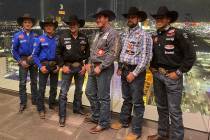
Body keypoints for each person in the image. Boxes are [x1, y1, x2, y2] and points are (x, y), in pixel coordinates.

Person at [147, 6, 196, 140]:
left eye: (161, 18)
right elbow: (154, 55)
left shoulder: (178, 33)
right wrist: (152, 66)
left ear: (168, 19)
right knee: (161, 107)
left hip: (173, 77)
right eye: (157, 18)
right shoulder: (156, 35)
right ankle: (162, 134)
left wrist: (179, 73)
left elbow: (191, 56)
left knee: (174, 111)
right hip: (158, 76)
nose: (158, 20)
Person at [111, 7, 153, 140]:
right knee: (127, 99)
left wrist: (134, 73)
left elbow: (146, 58)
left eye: (133, 17)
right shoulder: (126, 33)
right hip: (125, 69)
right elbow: (123, 52)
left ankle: (136, 131)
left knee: (138, 102)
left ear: (138, 19)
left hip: (136, 72)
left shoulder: (144, 35)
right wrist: (121, 66)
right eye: (129, 17)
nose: (130, 19)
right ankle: (124, 121)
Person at [84, 9, 120, 134]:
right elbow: (93, 51)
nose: (97, 20)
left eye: (100, 17)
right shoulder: (97, 33)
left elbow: (113, 53)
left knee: (103, 97)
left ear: (107, 19)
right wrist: (88, 63)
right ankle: (96, 115)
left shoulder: (112, 33)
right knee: (89, 92)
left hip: (103, 69)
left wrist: (102, 66)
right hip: (93, 67)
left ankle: (103, 123)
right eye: (97, 17)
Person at [57, 15, 90, 127]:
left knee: (79, 90)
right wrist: (62, 66)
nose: (72, 26)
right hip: (67, 67)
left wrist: (85, 66)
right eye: (70, 24)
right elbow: (58, 54)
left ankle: (77, 108)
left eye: (74, 24)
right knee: (63, 93)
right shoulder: (63, 37)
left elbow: (88, 55)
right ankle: (62, 115)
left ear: (78, 25)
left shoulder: (84, 38)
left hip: (80, 68)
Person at [32, 16, 59, 119]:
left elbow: (60, 54)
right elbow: (34, 55)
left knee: (54, 87)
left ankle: (51, 104)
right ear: (43, 27)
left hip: (54, 66)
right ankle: (40, 108)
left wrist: (59, 66)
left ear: (54, 27)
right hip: (43, 65)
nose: (49, 27)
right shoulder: (39, 39)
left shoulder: (57, 39)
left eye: (50, 25)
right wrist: (40, 66)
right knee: (42, 88)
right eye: (46, 25)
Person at [11, 13, 38, 113]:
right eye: (25, 22)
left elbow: (38, 49)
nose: (27, 24)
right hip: (22, 60)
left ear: (32, 24)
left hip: (33, 60)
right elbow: (13, 51)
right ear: (22, 24)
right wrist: (20, 61)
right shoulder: (17, 35)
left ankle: (35, 99)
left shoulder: (35, 35)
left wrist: (35, 59)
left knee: (34, 81)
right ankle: (23, 103)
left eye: (29, 22)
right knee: (22, 83)